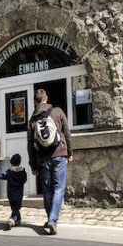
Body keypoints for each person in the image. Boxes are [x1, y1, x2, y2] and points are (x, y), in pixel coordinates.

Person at [27, 89, 73, 235]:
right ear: (46, 99)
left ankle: (50, 218)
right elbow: (67, 133)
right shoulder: (57, 111)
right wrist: (69, 153)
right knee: (58, 188)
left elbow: (30, 145)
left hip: (42, 158)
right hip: (59, 154)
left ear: (35, 102)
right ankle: (53, 220)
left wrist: (33, 165)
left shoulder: (33, 119)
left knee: (47, 190)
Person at [0, 153, 27, 229]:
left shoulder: (9, 172)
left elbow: (1, 176)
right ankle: (12, 220)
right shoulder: (22, 172)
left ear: (11, 163)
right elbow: (24, 180)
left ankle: (17, 219)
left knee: (14, 208)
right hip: (19, 193)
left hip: (11, 193)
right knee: (17, 208)